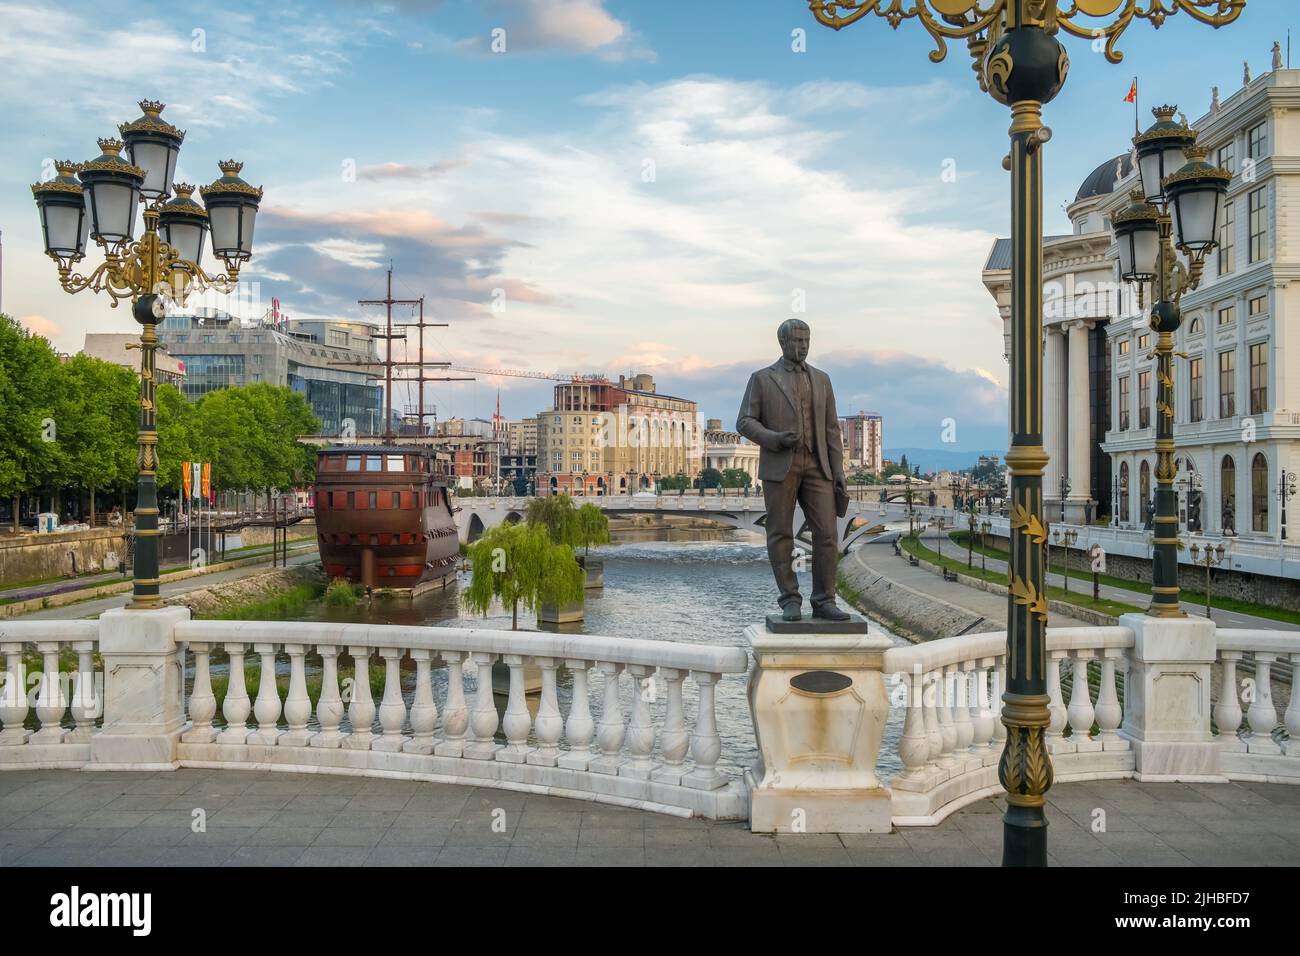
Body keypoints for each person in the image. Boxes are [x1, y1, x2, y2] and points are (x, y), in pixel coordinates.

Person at [737, 318, 850, 622]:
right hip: (780, 466)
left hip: (818, 466)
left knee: (827, 533)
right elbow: (745, 422)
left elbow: (831, 431)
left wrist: (838, 471)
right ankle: (790, 600)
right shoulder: (762, 379)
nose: (803, 346)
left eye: (807, 341)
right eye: (797, 341)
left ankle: (825, 600)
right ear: (783, 343)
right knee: (780, 534)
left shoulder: (822, 380)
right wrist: (774, 439)